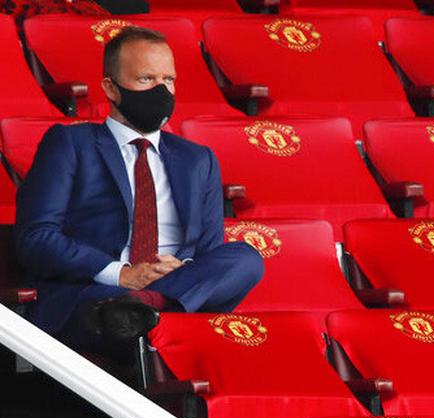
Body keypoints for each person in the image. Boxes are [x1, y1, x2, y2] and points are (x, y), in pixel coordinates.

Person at [15, 26, 262, 353]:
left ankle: (145, 305)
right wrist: (122, 275)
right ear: (111, 88)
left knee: (246, 258)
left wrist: (178, 271)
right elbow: (37, 238)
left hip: (169, 288)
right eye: (146, 80)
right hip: (95, 291)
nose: (161, 91)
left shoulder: (197, 160)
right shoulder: (71, 144)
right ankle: (137, 306)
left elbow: (208, 254)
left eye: (168, 80)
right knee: (104, 310)